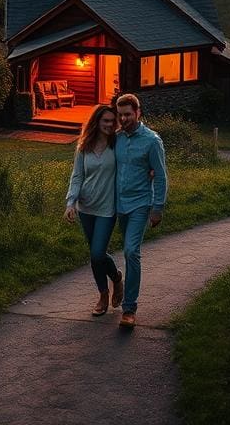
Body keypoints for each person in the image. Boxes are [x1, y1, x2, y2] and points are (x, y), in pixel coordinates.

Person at [113, 93, 167, 329]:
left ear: (138, 113)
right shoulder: (116, 138)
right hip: (117, 204)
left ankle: (129, 309)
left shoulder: (152, 141)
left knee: (131, 251)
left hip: (140, 204)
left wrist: (158, 208)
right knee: (117, 251)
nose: (124, 119)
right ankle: (116, 283)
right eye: (120, 115)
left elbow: (161, 176)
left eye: (128, 114)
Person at [64, 104, 124, 316]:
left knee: (98, 253)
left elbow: (132, 163)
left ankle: (116, 278)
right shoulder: (84, 145)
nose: (109, 124)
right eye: (105, 120)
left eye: (112, 121)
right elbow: (77, 176)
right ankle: (103, 294)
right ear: (97, 122)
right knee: (95, 254)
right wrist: (71, 203)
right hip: (86, 207)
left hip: (107, 208)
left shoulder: (117, 144)